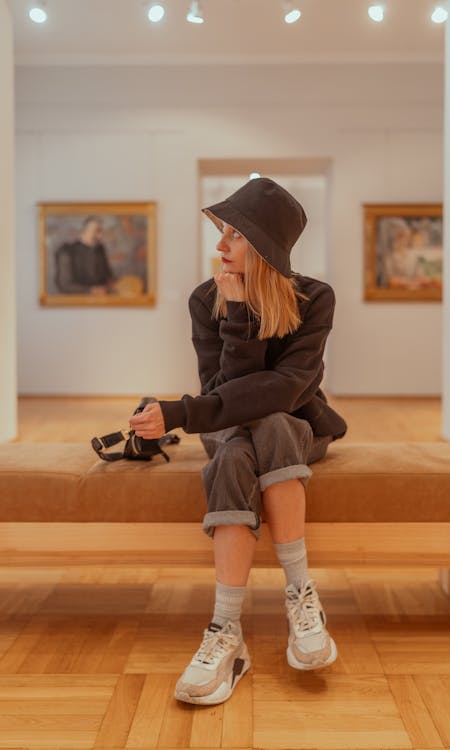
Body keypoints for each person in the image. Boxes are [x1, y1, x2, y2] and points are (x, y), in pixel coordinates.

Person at [128, 177, 348, 706]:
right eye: (221, 231)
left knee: (268, 424)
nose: (220, 246)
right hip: (228, 427)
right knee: (236, 444)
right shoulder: (208, 299)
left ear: (266, 246)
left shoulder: (314, 297)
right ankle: (230, 630)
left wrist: (183, 414)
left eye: (235, 234)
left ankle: (277, 608)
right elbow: (223, 392)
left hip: (296, 428)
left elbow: (285, 389)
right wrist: (238, 316)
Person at [55, 216, 115, 294]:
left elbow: (107, 275)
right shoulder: (67, 251)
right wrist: (91, 290)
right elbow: (64, 285)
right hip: (78, 300)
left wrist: (112, 283)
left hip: (102, 298)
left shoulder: (100, 249)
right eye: (97, 231)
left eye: (101, 231)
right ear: (84, 231)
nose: (100, 236)